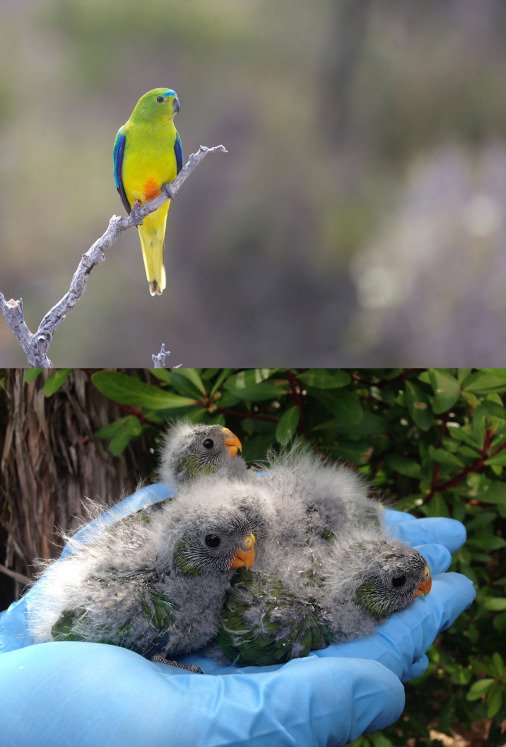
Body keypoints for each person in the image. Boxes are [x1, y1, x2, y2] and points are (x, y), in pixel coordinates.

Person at [0, 484, 475, 746]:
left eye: (248, 539)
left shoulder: (224, 583)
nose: (249, 550)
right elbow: (66, 626)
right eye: (217, 544)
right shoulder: (152, 606)